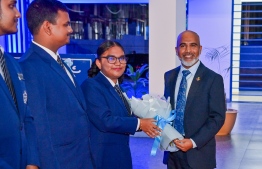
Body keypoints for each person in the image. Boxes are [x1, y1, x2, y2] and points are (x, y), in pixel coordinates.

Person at [19, 0, 94, 168]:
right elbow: (39, 127)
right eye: (66, 24)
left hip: (79, 158)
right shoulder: (30, 66)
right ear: (48, 27)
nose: (71, 30)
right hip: (61, 162)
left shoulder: (56, 60)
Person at [81, 40, 160, 169]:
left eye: (122, 58)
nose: (118, 63)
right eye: (111, 58)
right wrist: (140, 123)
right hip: (102, 159)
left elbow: (123, 117)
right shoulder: (91, 86)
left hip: (120, 156)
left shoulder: (117, 88)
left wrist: (150, 122)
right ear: (99, 63)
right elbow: (105, 121)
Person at [163, 30, 226, 169]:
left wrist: (193, 141)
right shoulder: (169, 76)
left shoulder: (213, 79)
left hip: (199, 154)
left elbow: (217, 117)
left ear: (200, 49)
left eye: (193, 45)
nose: (188, 50)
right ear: (176, 50)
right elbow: (167, 111)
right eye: (183, 46)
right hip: (172, 155)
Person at [0, 0, 39, 169]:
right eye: (11, 6)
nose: (18, 13)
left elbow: (25, 117)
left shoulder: (12, 63)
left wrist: (32, 160)